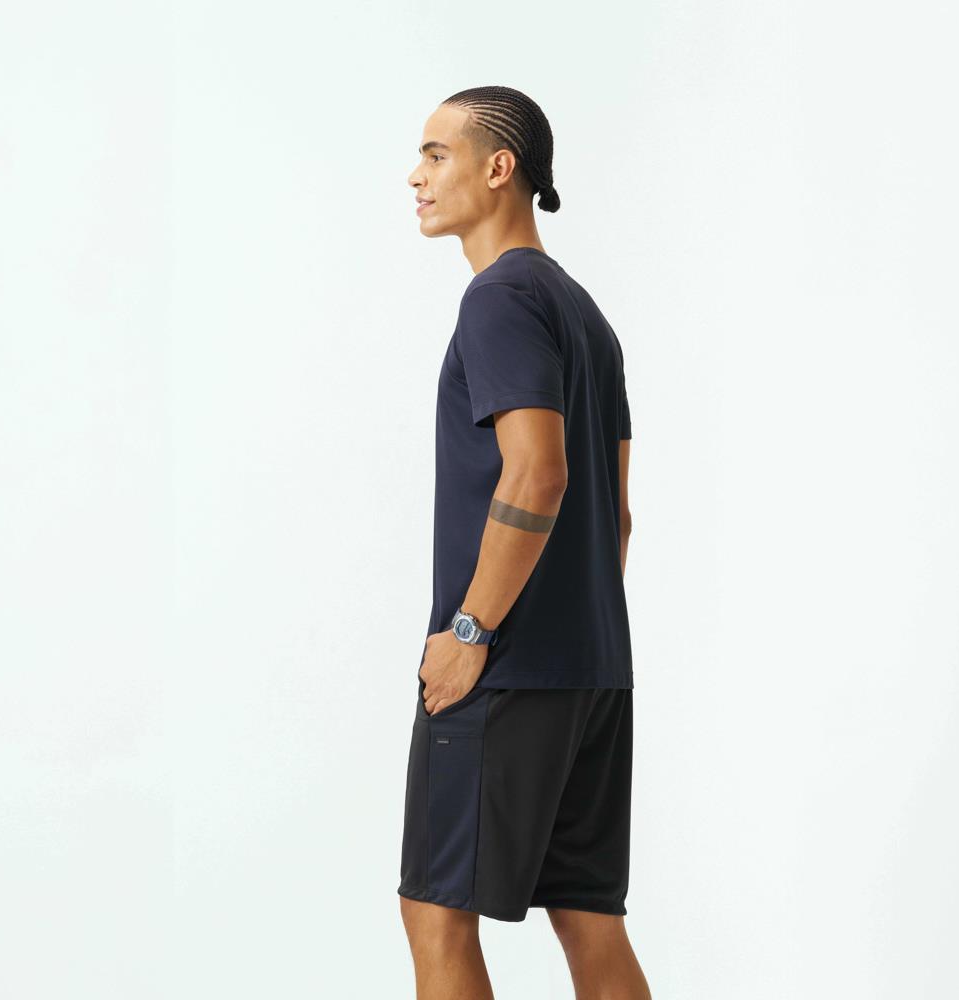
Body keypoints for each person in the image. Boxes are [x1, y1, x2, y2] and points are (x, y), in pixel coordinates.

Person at [399, 85, 652, 1000]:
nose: (416, 175)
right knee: (590, 923)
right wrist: (574, 637)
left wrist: (472, 632)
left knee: (437, 915)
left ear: (499, 167)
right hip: (593, 670)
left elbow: (538, 474)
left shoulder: (499, 298)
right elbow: (616, 516)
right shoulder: (585, 314)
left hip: (504, 666)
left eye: (437, 154)